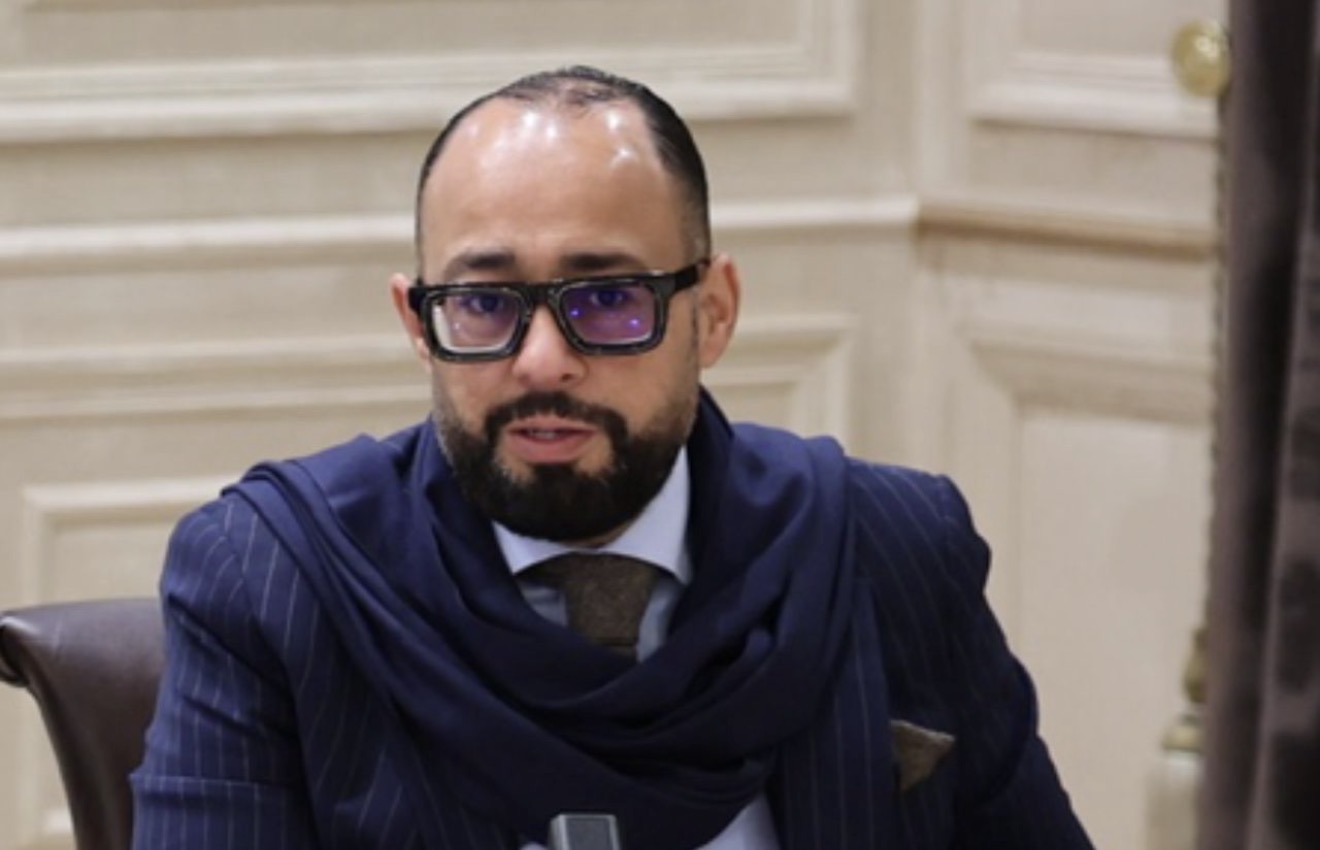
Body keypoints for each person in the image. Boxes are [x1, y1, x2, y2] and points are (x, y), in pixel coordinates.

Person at [130, 66, 1093, 850]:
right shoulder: (276, 583)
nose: (542, 362)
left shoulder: (891, 548)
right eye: (484, 304)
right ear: (418, 325)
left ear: (713, 314)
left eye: (609, 300)